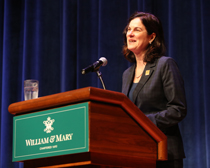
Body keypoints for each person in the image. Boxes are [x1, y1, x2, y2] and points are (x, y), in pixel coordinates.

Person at [121, 12, 187, 168]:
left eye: (137, 30)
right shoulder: (127, 74)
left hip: (164, 152)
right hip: (137, 152)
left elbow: (178, 109)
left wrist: (143, 122)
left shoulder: (165, 65)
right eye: (129, 29)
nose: (130, 33)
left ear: (151, 37)